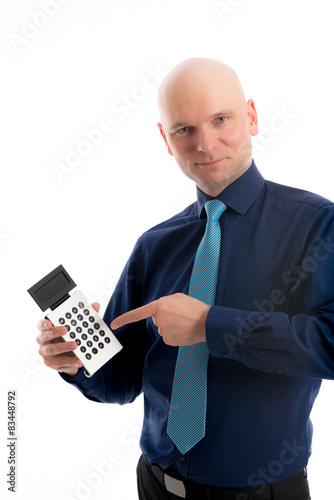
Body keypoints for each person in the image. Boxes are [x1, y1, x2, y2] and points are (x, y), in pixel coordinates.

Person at [36, 57, 334, 500]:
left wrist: (211, 325)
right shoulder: (155, 244)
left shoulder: (316, 225)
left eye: (220, 119)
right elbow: (120, 380)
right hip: (155, 485)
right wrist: (77, 362)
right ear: (166, 139)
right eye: (184, 130)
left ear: (250, 116)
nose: (205, 143)